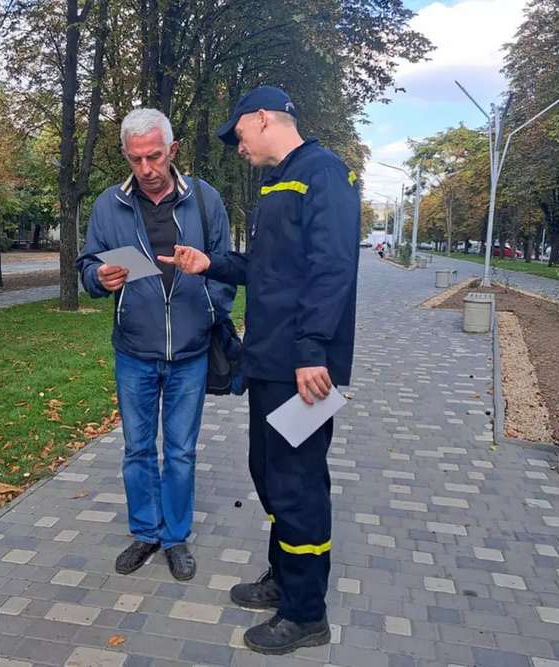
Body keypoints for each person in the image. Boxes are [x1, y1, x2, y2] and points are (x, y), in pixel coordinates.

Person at [159, 86, 360, 654]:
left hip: (304, 369)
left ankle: (306, 614)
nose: (237, 147)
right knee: (270, 474)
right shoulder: (281, 182)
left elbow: (332, 271)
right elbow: (266, 269)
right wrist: (211, 263)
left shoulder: (324, 175)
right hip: (270, 363)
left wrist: (314, 353)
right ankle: (283, 579)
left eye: (238, 134)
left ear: (264, 118)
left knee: (298, 485)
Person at [75, 108, 235, 581]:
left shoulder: (205, 200)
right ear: (126, 154)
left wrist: (209, 308)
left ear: (173, 150)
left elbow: (226, 267)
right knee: (137, 449)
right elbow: (87, 266)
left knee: (181, 451)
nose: (146, 169)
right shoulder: (109, 204)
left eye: (155, 156)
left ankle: (175, 537)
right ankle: (145, 532)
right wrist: (99, 278)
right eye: (136, 158)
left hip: (190, 353)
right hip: (134, 350)